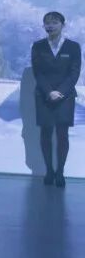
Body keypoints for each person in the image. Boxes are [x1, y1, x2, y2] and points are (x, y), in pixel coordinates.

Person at [30, 11, 81, 188]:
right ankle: (49, 171)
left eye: (54, 22)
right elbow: (38, 72)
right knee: (45, 133)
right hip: (44, 96)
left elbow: (74, 73)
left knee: (62, 134)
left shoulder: (73, 47)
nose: (50, 26)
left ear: (62, 25)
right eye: (47, 23)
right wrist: (49, 92)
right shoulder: (38, 46)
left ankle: (60, 172)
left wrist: (60, 92)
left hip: (65, 97)